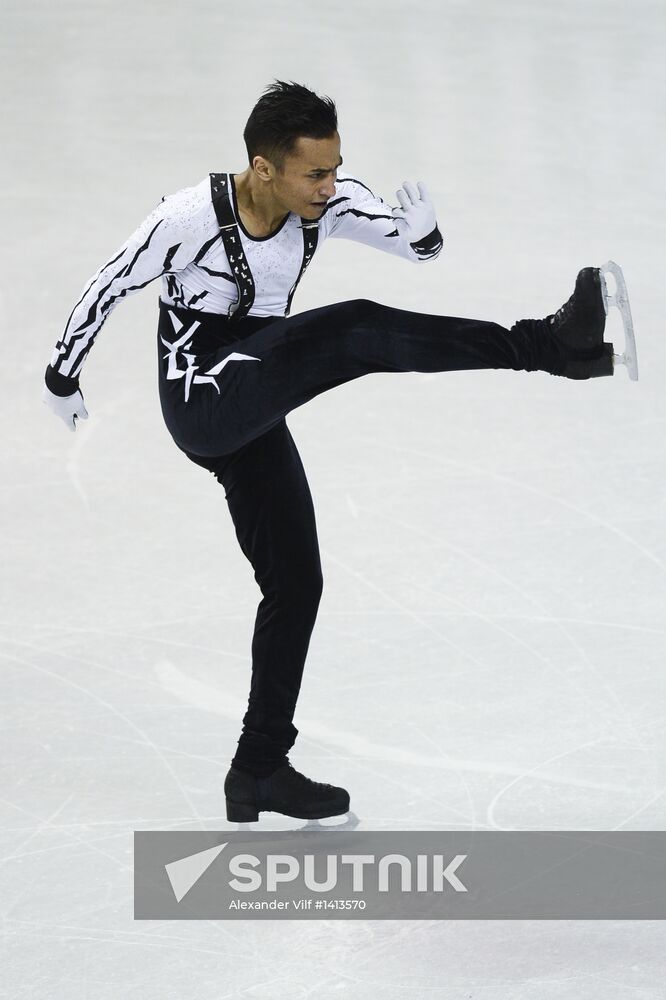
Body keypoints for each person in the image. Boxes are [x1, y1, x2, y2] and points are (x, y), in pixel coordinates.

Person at [43, 79, 631, 824]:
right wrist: (61, 373)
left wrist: (424, 233)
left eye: (335, 166)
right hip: (204, 396)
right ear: (264, 169)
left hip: (255, 388)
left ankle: (257, 769)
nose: (331, 185)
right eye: (314, 173)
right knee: (351, 328)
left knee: (297, 583)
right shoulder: (188, 218)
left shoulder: (327, 202)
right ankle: (551, 347)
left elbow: (415, 248)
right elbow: (109, 282)